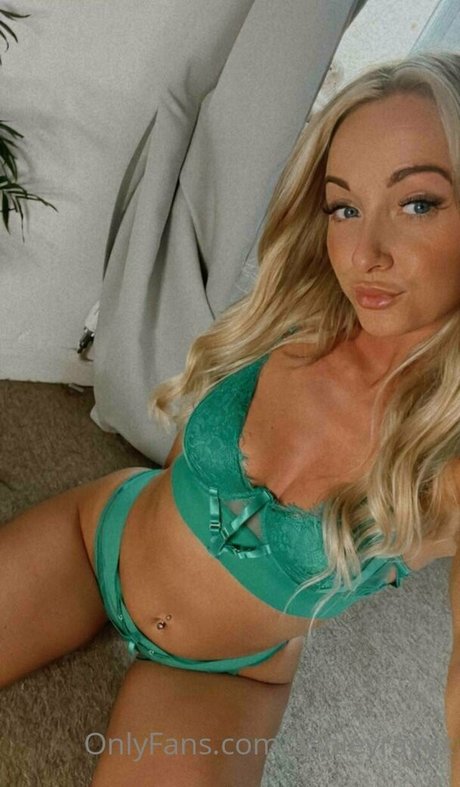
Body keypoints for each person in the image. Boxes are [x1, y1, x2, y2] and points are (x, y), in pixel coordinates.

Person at [1, 49, 460, 786]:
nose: (364, 254)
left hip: (226, 672)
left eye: (417, 204)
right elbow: (185, 449)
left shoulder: (447, 461)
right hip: (100, 540)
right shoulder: (296, 313)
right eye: (344, 207)